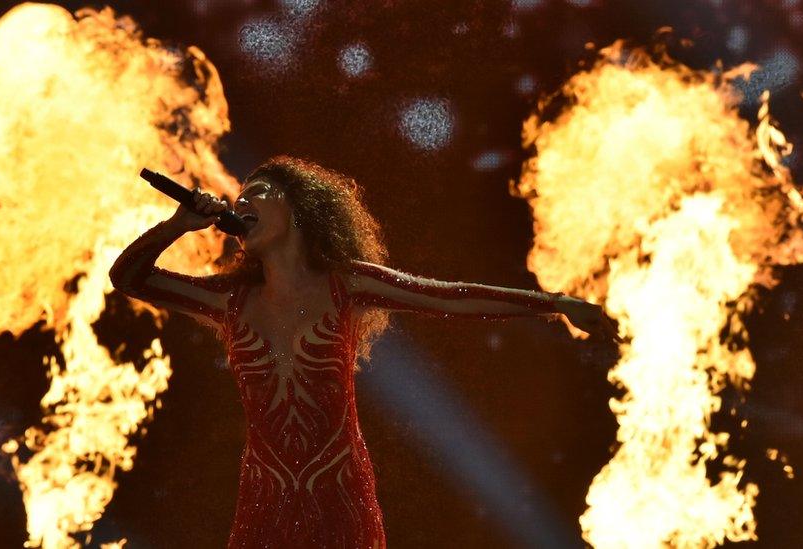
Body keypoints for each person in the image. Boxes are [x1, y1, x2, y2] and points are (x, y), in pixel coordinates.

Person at [109, 156, 617, 549]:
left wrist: (553, 303)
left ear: (299, 209)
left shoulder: (346, 285)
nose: (242, 205)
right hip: (263, 504)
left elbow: (450, 296)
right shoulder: (229, 301)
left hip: (340, 497)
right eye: (239, 200)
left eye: (259, 194)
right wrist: (177, 225)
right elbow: (127, 278)